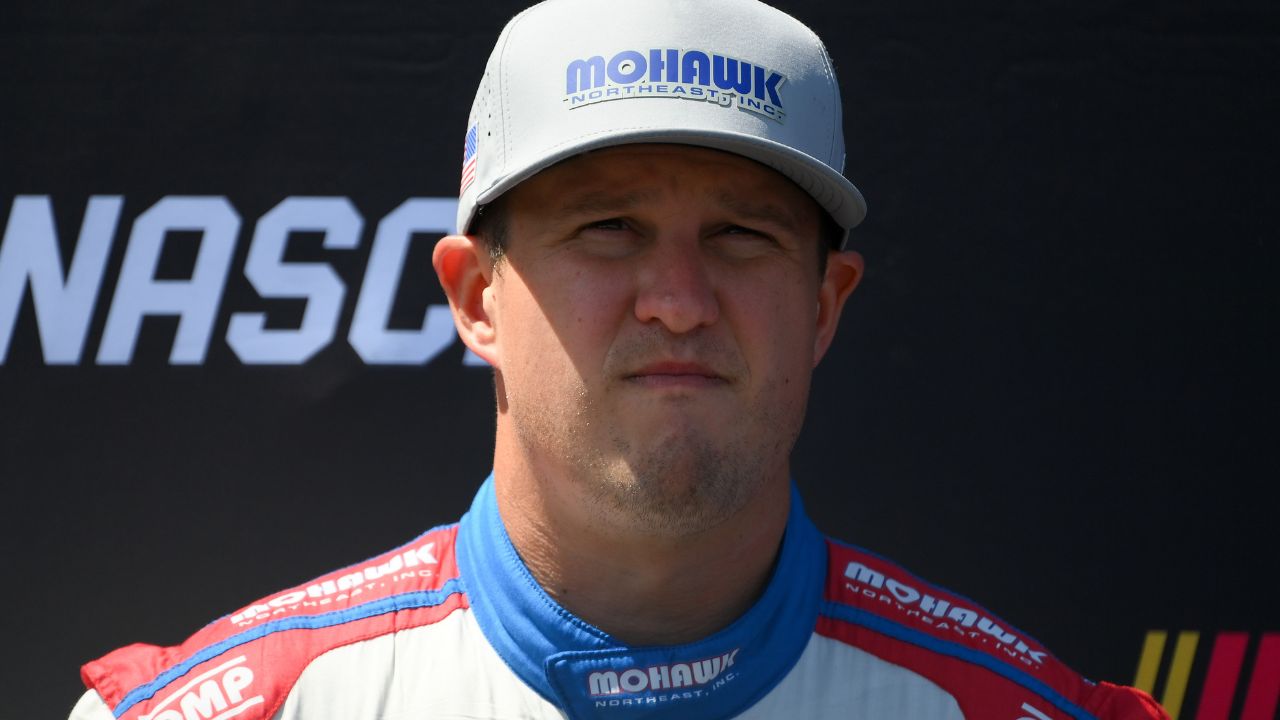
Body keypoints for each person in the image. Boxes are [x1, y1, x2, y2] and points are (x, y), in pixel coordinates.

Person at [69, 1, 1169, 718]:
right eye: (606, 230)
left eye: (742, 238)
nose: (680, 302)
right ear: (473, 296)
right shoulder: (251, 706)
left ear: (824, 307)